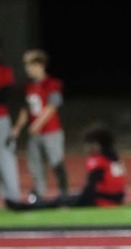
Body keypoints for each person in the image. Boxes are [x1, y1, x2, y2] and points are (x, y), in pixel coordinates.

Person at [5, 122, 125, 211]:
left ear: (97, 145)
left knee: (60, 201)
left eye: (89, 144)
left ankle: (24, 207)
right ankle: (29, 205)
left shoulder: (98, 161)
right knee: (64, 199)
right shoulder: (114, 159)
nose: (87, 148)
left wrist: (78, 202)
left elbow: (90, 189)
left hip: (102, 201)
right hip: (113, 200)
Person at [9, 49, 68, 200]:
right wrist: (17, 127)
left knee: (56, 162)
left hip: (51, 131)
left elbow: (52, 106)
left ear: (40, 65)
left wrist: (38, 124)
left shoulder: (51, 83)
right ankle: (39, 193)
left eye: (30, 65)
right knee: (34, 164)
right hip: (35, 133)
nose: (28, 69)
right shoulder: (28, 86)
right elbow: (25, 109)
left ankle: (64, 193)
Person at [0, 37, 20, 203]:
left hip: (1, 119)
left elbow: (5, 97)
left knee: (5, 156)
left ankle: (13, 197)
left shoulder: (5, 71)